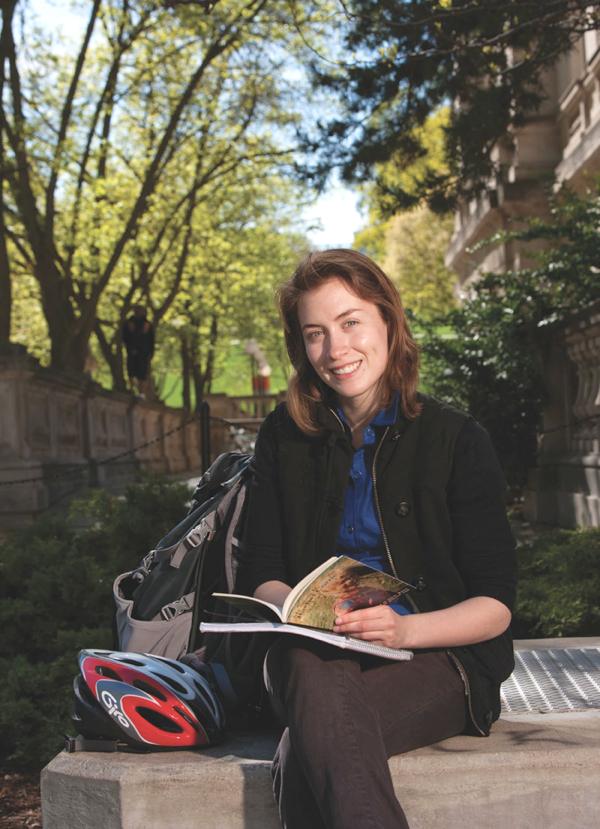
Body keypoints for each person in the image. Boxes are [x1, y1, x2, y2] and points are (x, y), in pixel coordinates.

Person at [236, 249, 517, 829]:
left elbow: (496, 607)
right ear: (301, 347)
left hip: (439, 658)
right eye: (315, 334)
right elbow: (260, 570)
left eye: (350, 323)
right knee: (308, 662)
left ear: (388, 320)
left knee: (306, 751)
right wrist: (296, 610)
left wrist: (404, 628)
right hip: (311, 654)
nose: (336, 351)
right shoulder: (283, 438)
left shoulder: (455, 438)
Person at [121, 304, 155, 398]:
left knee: (142, 374)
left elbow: (151, 340)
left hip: (143, 353)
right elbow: (124, 338)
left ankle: (141, 393)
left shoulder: (147, 325)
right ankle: (132, 390)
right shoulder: (129, 323)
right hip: (132, 351)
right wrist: (129, 347)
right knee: (131, 372)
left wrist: (151, 353)